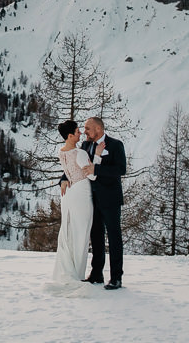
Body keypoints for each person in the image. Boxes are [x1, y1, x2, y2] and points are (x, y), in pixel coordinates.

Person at [51, 119, 103, 286]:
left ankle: (68, 269)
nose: (81, 133)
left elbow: (69, 171)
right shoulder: (80, 153)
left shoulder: (61, 152)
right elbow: (92, 175)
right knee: (81, 233)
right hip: (81, 193)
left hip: (69, 194)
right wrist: (97, 156)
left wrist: (64, 180)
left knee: (69, 233)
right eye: (78, 131)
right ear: (70, 135)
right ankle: (77, 273)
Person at [80, 116, 127, 290]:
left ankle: (116, 278)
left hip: (111, 199)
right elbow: (80, 166)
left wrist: (97, 169)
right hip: (92, 199)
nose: (85, 131)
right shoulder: (85, 146)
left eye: (87, 128)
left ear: (98, 129)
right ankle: (96, 274)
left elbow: (121, 169)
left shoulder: (115, 145)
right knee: (96, 237)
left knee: (114, 238)